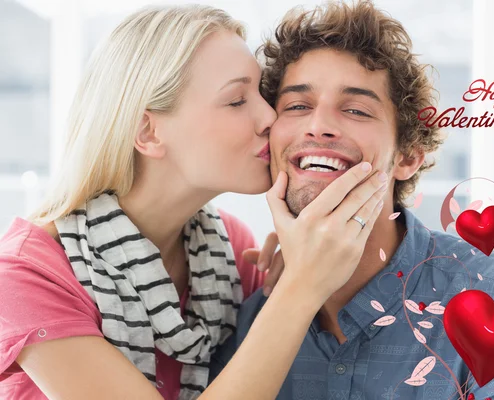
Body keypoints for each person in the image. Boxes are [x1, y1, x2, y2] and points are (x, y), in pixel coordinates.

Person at [0, 5, 390, 400]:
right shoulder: (25, 276)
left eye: (263, 93)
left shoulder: (232, 249)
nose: (269, 117)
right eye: (237, 100)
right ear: (149, 132)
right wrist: (302, 284)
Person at [209, 1, 494, 399]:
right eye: (297, 106)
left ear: (408, 155)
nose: (319, 125)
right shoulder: (248, 320)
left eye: (356, 110)